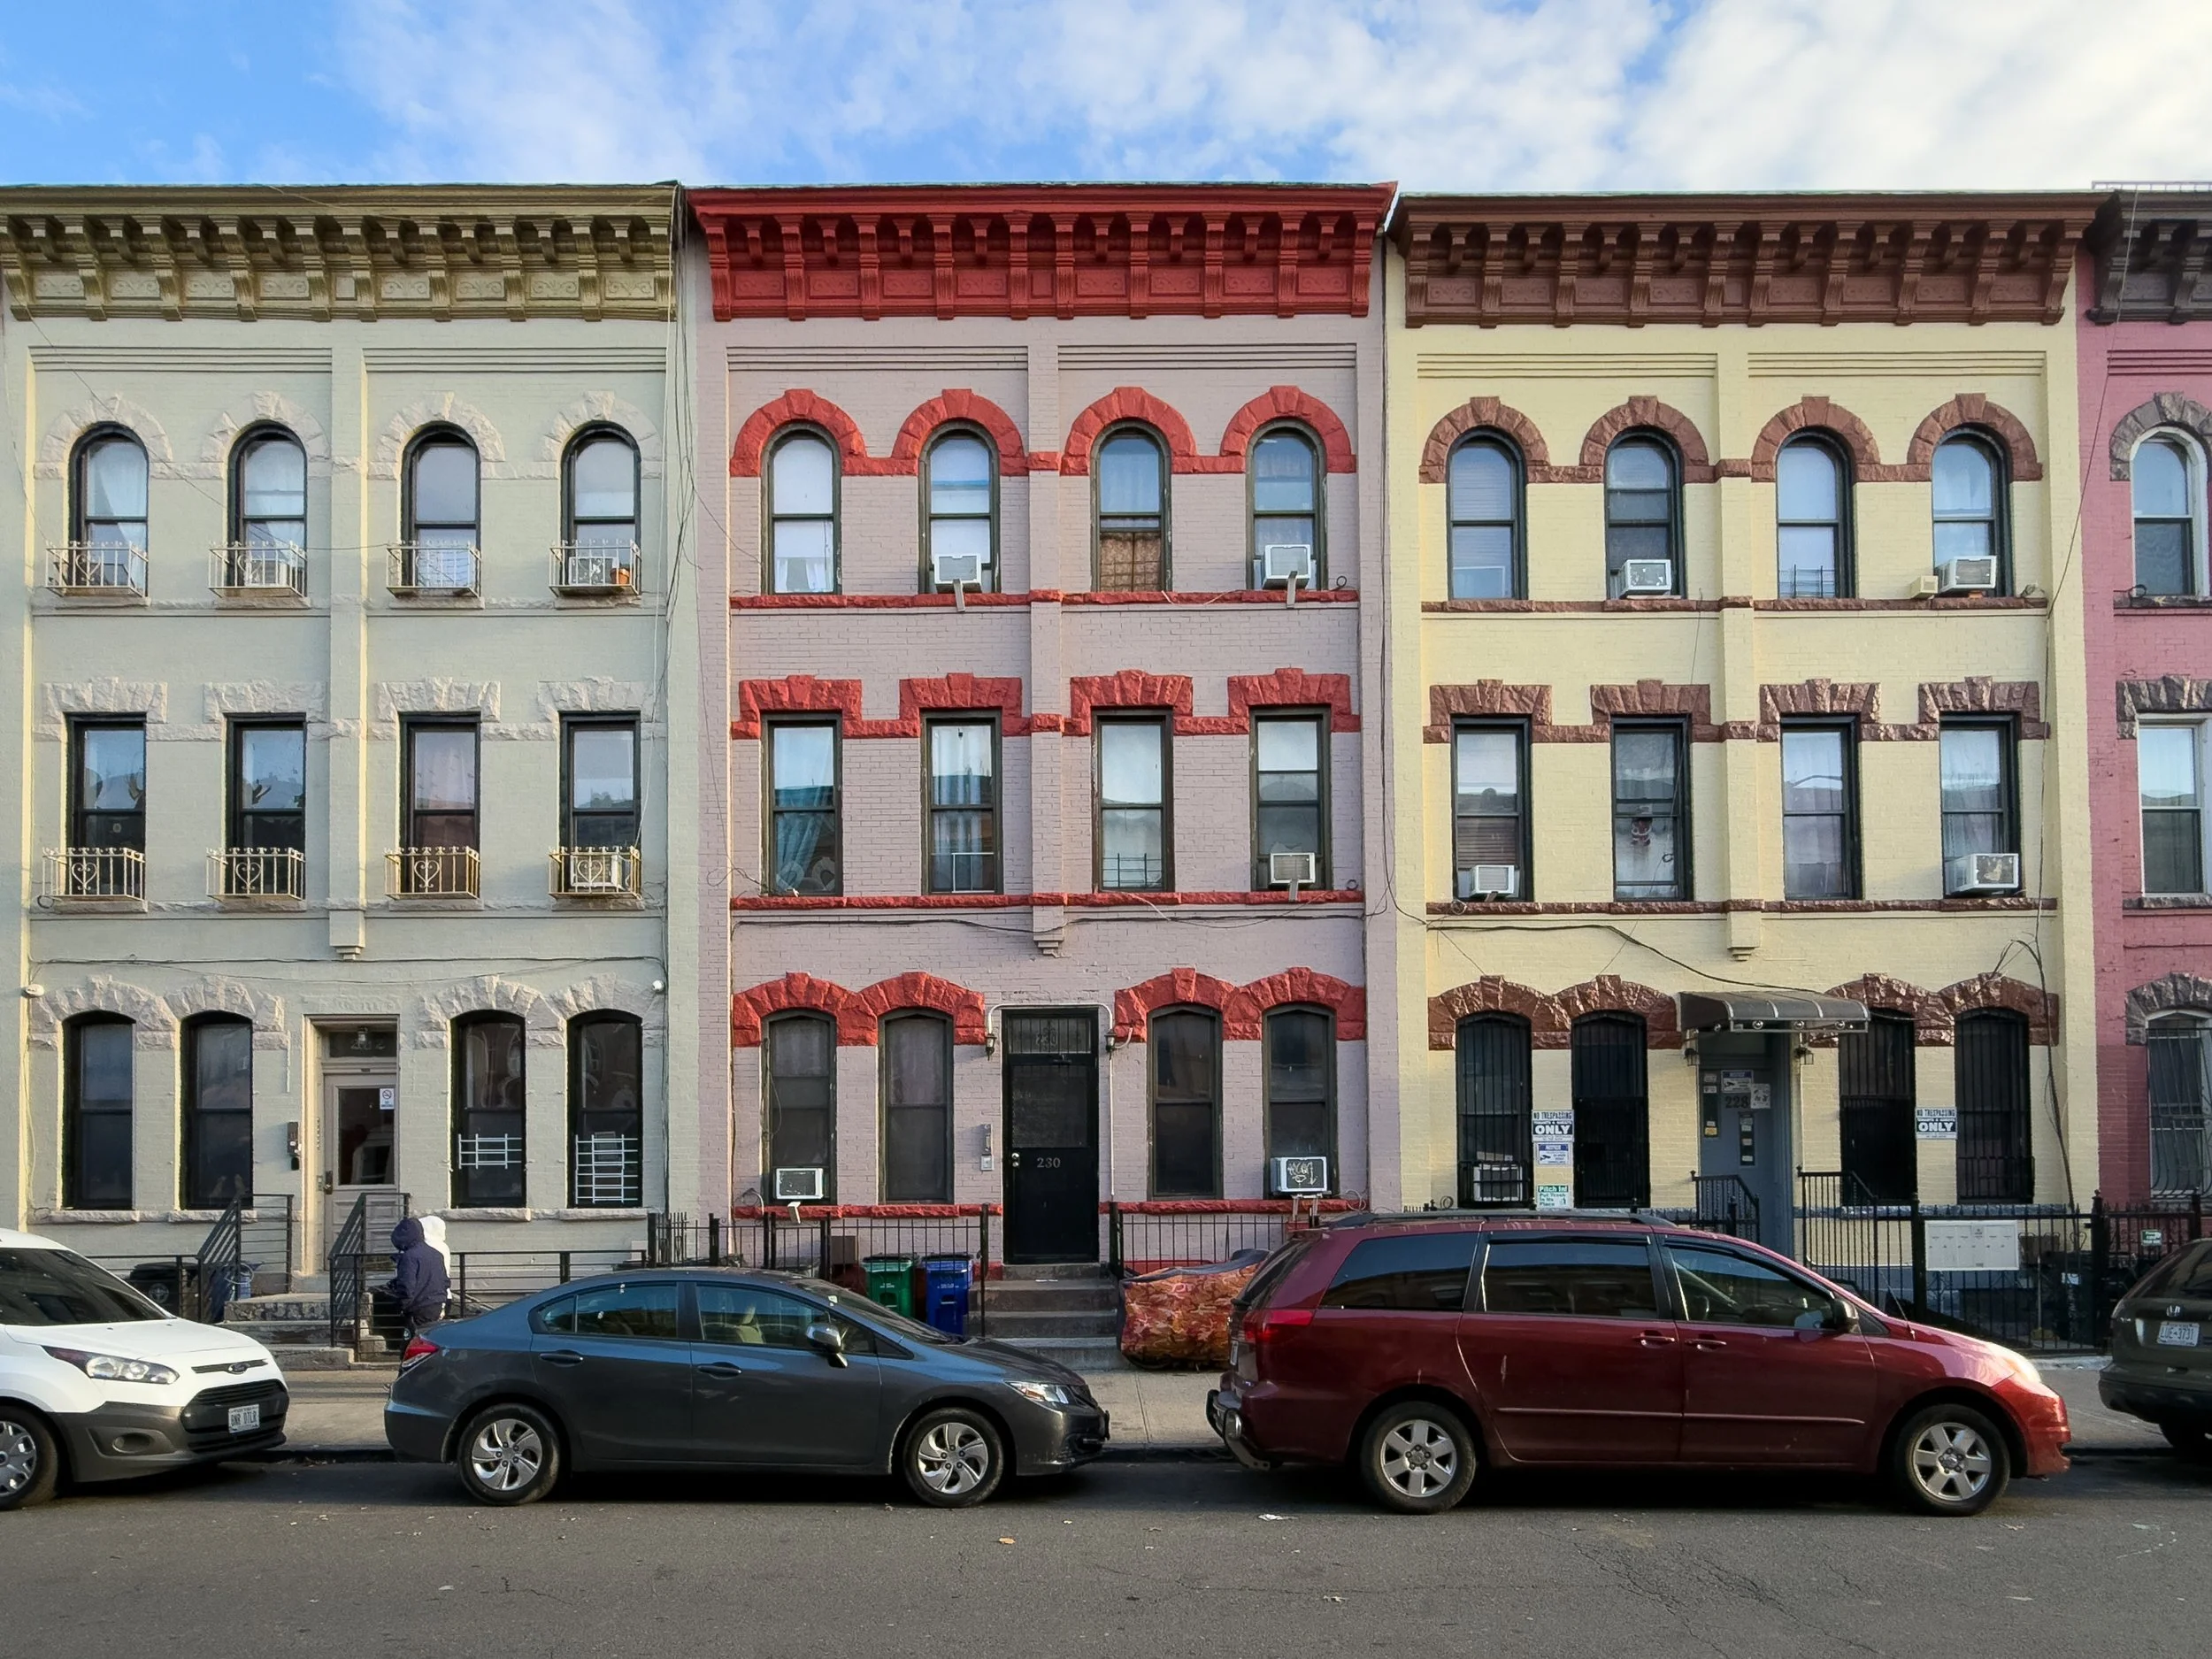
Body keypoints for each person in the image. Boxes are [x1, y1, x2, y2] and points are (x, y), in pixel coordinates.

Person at [384, 1217, 450, 1340]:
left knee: (412, 1345)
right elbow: (445, 1281)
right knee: (431, 1342)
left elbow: (407, 1286)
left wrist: (401, 1306)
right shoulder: (436, 1254)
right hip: (436, 1304)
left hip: (419, 1308)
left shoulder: (409, 1257)